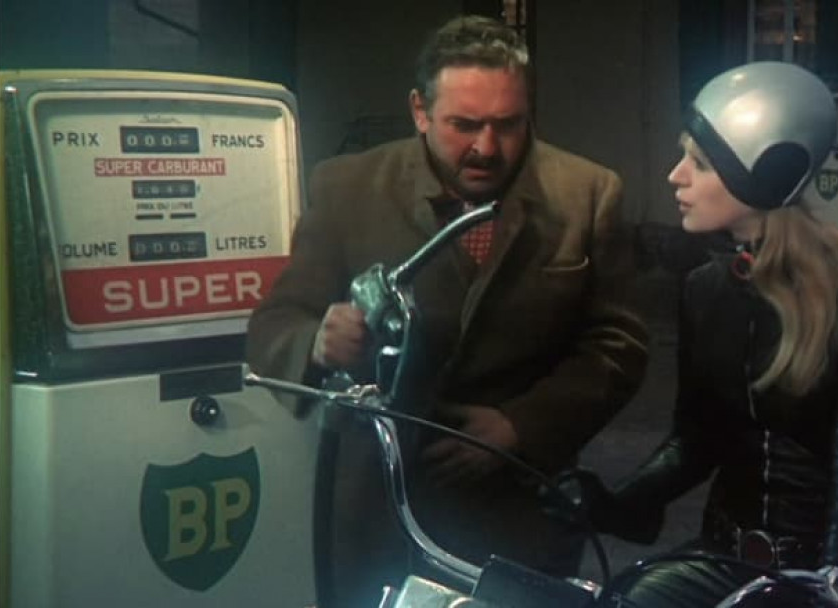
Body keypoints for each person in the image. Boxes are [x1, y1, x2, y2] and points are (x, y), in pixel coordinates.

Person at [245, 14, 649, 607]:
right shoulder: (346, 188)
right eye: (464, 125)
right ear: (420, 111)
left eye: (508, 124)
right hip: (377, 511)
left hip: (520, 512)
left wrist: (520, 427)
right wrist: (316, 340)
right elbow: (275, 323)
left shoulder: (586, 193)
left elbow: (619, 343)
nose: (487, 148)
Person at [569, 61, 838, 606]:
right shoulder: (705, 287)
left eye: (700, 162)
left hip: (835, 569)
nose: (675, 176)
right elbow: (696, 440)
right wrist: (614, 503)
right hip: (726, 556)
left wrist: (835, 583)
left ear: (766, 174)